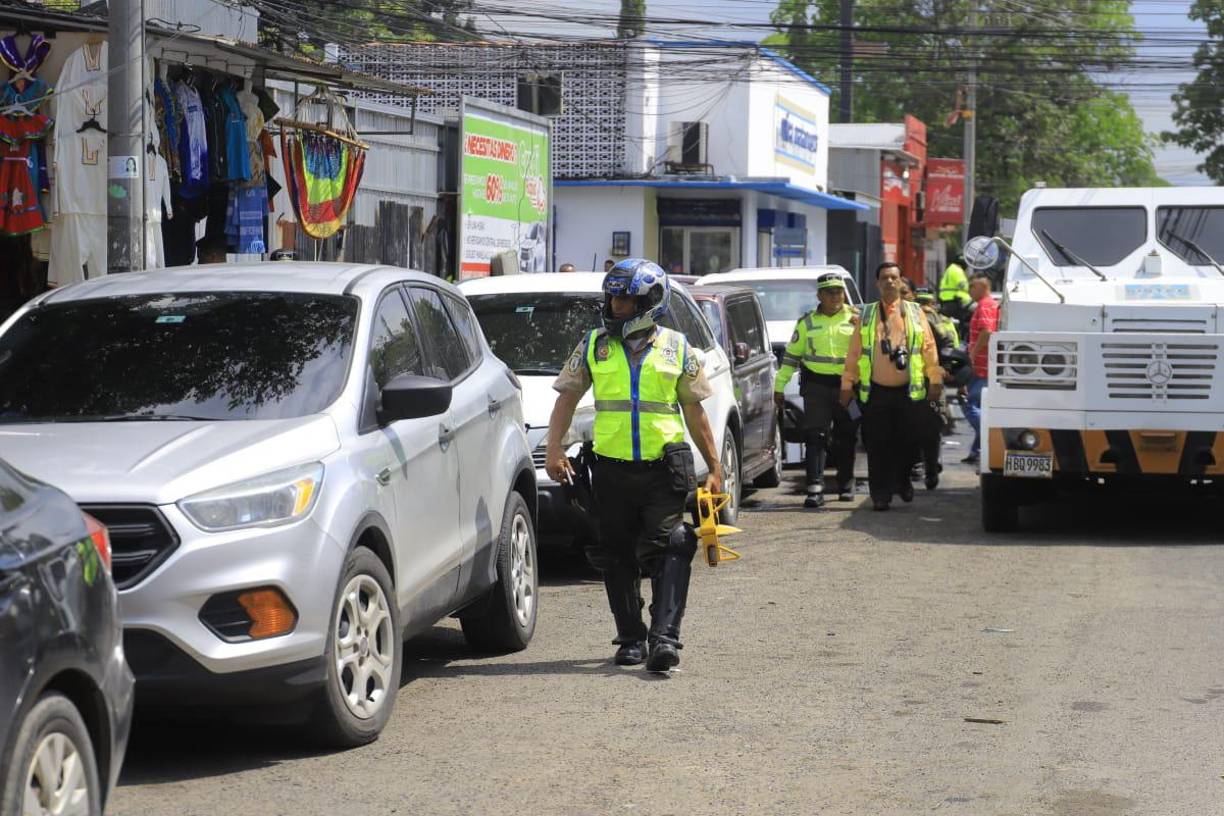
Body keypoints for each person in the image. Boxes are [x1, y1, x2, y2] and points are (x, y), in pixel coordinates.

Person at [545, 258, 723, 673]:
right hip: (610, 470)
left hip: (663, 469)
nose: (614, 305)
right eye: (612, 297)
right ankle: (630, 638)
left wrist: (715, 467)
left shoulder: (679, 348)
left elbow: (696, 412)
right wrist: (554, 450)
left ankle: (665, 638)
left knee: (674, 544)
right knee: (616, 553)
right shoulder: (593, 344)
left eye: (624, 299)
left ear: (650, 301)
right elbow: (566, 399)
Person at [840, 262, 944, 511]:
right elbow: (854, 353)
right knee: (877, 444)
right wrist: (847, 384)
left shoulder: (915, 312)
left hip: (909, 391)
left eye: (894, 277)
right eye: (884, 277)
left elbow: (928, 348)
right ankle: (880, 494)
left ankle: (903, 480)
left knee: (908, 442)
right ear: (877, 283)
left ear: (900, 282)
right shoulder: (866, 315)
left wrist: (936, 379)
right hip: (875, 391)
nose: (889, 282)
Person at [773, 272, 859, 508]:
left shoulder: (856, 319)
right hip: (817, 387)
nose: (835, 296)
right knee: (815, 436)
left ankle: (846, 484)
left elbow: (868, 354)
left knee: (846, 437)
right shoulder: (807, 322)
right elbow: (791, 357)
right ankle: (815, 488)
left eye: (839, 291)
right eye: (829, 292)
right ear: (819, 295)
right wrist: (779, 387)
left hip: (848, 387)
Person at [913, 288, 959, 489]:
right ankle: (930, 468)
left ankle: (921, 466)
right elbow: (951, 346)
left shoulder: (911, 318)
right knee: (932, 427)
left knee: (913, 426)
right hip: (931, 381)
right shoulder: (941, 321)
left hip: (914, 381)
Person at [963, 273, 999, 465]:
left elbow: (986, 331)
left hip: (982, 366)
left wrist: (973, 354)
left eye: (973, 287)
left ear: (984, 288)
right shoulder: (992, 304)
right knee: (980, 405)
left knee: (971, 406)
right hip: (986, 365)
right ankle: (977, 452)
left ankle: (989, 436)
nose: (970, 290)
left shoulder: (985, 306)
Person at [938, 255, 972, 322]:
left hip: (946, 300)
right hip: (955, 300)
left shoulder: (950, 269)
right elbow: (963, 285)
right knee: (968, 318)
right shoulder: (957, 270)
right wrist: (971, 288)